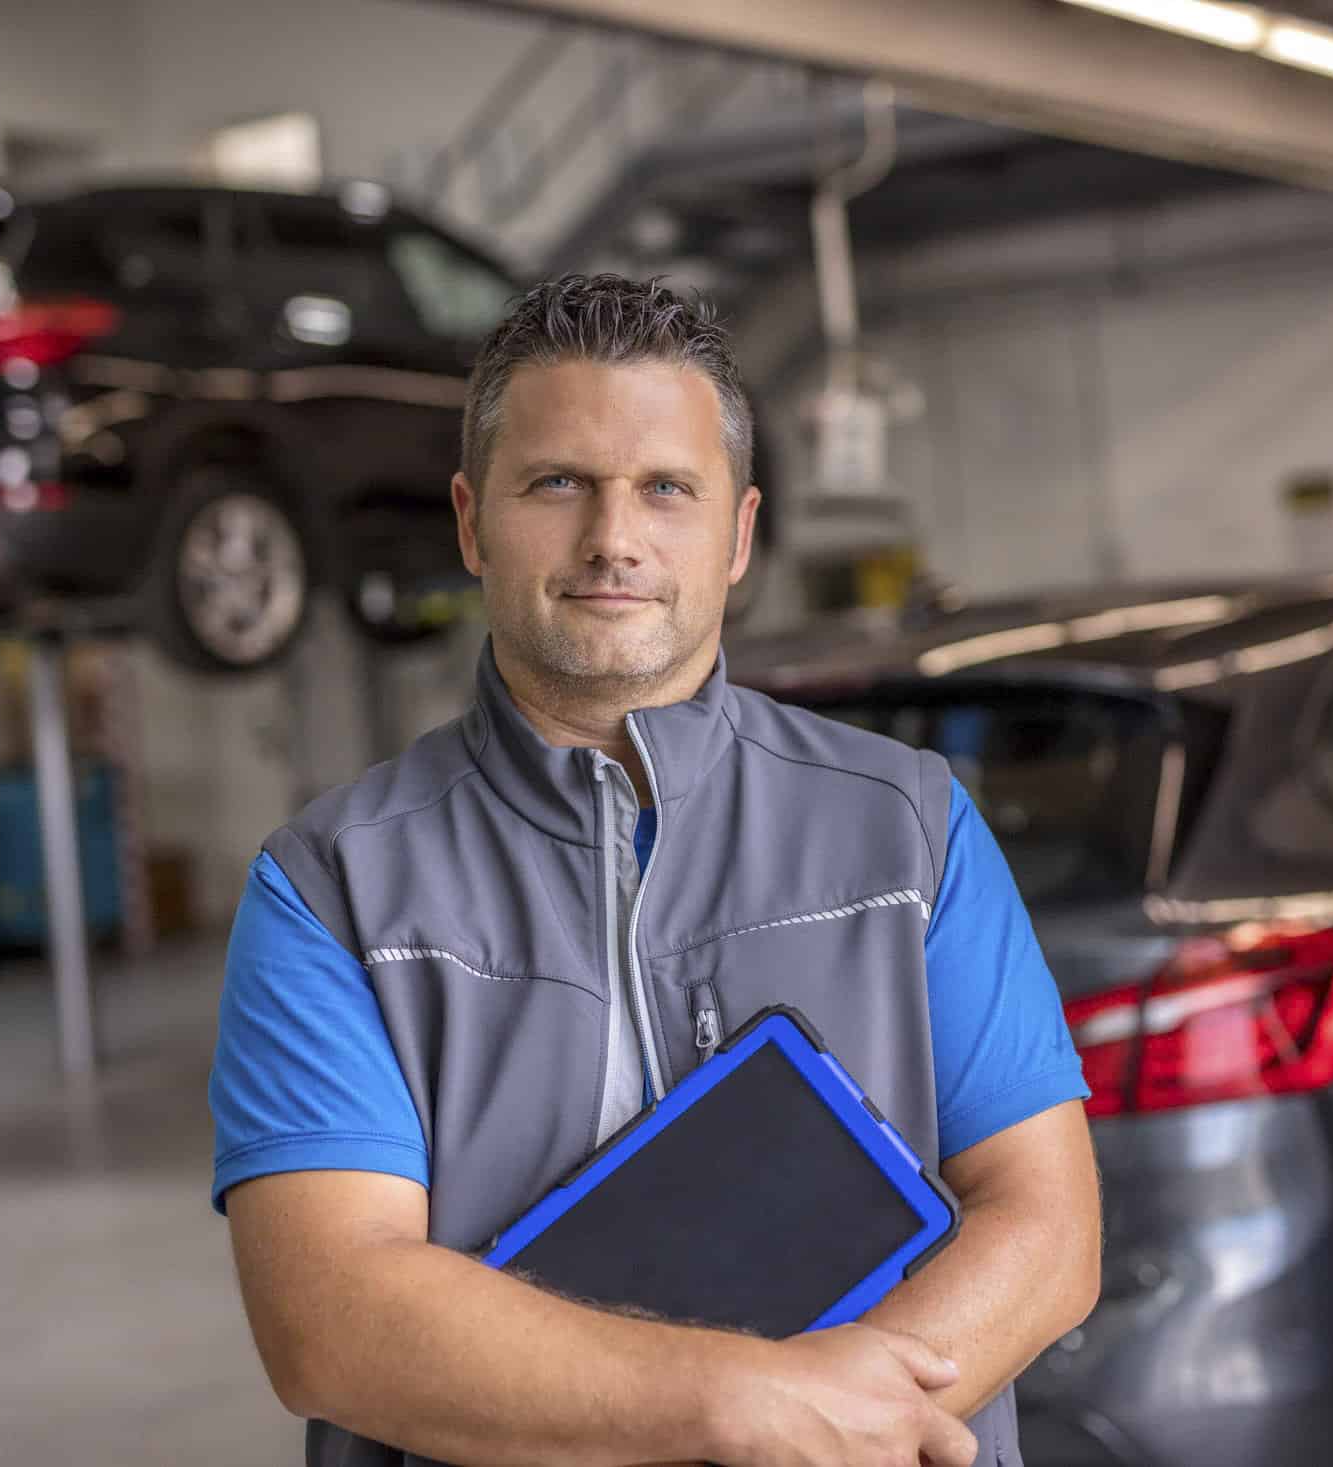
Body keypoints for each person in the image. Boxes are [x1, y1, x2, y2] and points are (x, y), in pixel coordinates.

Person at [210, 274, 1102, 1467]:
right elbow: (333, 1319)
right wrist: (741, 1404)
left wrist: (841, 1424)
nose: (612, 539)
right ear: (473, 522)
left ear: (736, 536)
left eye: (665, 490)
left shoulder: (911, 830)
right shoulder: (332, 890)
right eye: (559, 483)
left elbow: (1045, 1226)